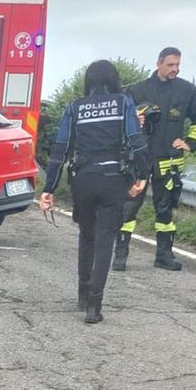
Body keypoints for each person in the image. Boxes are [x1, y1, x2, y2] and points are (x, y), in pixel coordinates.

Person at [38, 60, 149, 324]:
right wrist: (143, 176)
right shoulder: (124, 103)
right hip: (112, 178)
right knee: (105, 239)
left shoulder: (75, 107)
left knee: (86, 235)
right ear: (114, 79)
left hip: (83, 179)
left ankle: (82, 295)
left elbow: (60, 148)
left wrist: (49, 188)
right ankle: (94, 306)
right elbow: (136, 140)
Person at [114, 47, 196, 273]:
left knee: (165, 211)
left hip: (168, 161)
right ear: (158, 64)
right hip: (138, 160)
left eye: (178, 65)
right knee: (128, 208)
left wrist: (190, 142)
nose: (175, 69)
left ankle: (164, 256)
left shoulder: (187, 90)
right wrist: (132, 120)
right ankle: (120, 254)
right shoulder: (137, 90)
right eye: (170, 65)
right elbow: (119, 122)